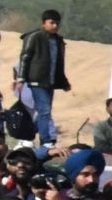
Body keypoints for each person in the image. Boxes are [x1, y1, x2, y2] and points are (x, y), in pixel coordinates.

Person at [14, 11, 70, 149]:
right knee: (44, 110)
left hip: (49, 82)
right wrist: (21, 78)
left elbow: (59, 64)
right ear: (44, 23)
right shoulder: (34, 37)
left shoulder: (58, 40)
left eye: (57, 23)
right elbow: (25, 57)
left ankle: (27, 136)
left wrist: (63, 82)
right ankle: (46, 141)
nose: (55, 26)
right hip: (36, 79)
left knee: (44, 112)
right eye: (52, 22)